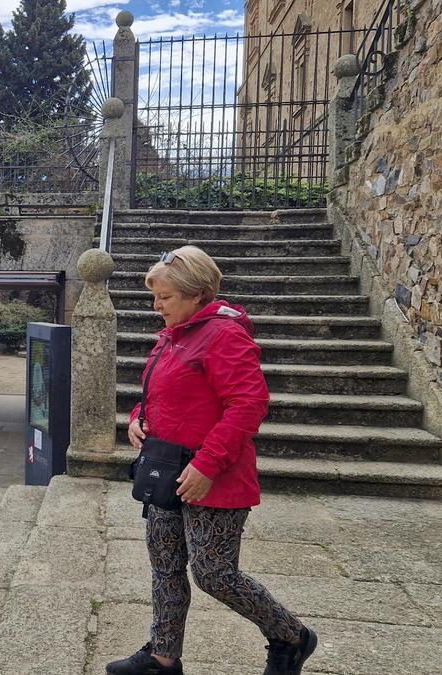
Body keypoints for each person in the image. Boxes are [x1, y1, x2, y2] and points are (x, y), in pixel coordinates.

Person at [106, 246, 318, 675]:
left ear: (197, 294)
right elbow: (159, 394)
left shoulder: (224, 335)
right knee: (165, 564)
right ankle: (163, 657)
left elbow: (248, 404)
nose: (156, 305)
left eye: (165, 297)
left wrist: (207, 464)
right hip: (166, 469)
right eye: (155, 296)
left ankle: (291, 636)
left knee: (213, 573)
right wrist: (138, 418)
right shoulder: (172, 336)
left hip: (213, 476)